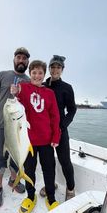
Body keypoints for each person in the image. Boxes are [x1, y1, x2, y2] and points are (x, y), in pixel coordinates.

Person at [11, 60, 61, 213]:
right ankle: (30, 196)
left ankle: (51, 198)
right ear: (30, 74)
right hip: (28, 142)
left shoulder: (50, 93)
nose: (37, 75)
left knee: (49, 170)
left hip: (46, 140)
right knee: (29, 170)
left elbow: (55, 116)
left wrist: (56, 136)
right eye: (34, 72)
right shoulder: (24, 88)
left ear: (44, 74)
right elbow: (16, 99)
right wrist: (15, 91)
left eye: (40, 73)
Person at [0, 47, 30, 208]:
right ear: (14, 59)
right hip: (0, 126)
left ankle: (13, 180)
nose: (21, 60)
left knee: (17, 157)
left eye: (24, 58)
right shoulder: (2, 75)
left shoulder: (29, 81)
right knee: (0, 158)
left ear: (27, 62)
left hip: (18, 127)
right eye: (19, 57)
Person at [39, 55, 77, 201]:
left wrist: (63, 125)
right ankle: (51, 185)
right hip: (44, 132)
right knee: (48, 163)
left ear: (62, 70)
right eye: (53, 67)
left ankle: (71, 187)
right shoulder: (42, 86)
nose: (55, 70)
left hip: (60, 131)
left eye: (58, 67)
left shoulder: (67, 88)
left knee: (64, 161)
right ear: (48, 68)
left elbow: (72, 110)